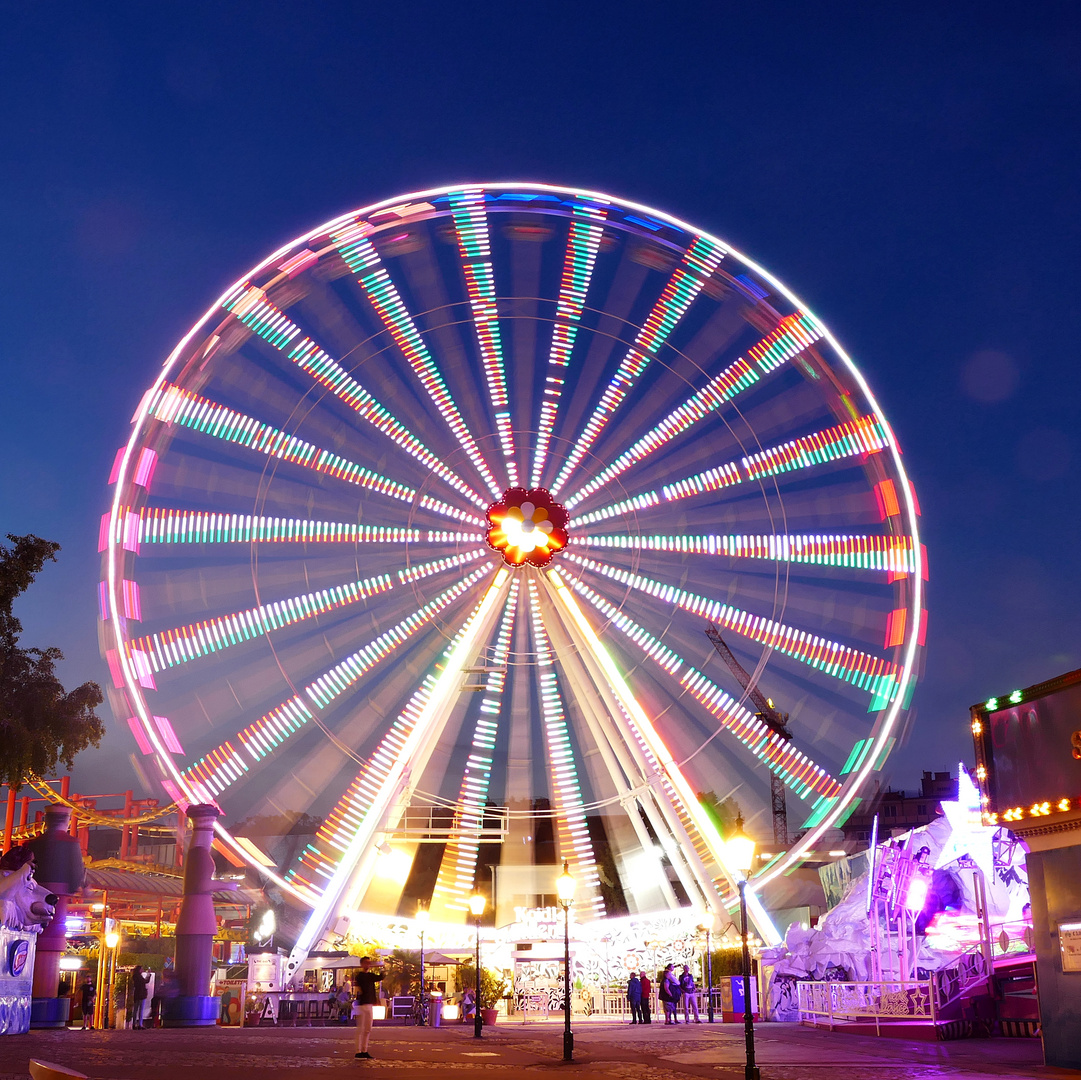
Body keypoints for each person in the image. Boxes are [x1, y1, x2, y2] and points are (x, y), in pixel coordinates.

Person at [352, 957, 385, 1060]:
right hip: (363, 1004)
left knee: (367, 1029)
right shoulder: (360, 976)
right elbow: (373, 979)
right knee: (361, 1029)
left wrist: (383, 969)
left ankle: (364, 1050)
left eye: (369, 963)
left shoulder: (369, 976)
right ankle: (358, 1051)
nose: (368, 965)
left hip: (369, 1004)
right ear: (362, 964)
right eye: (366, 963)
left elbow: (380, 977)